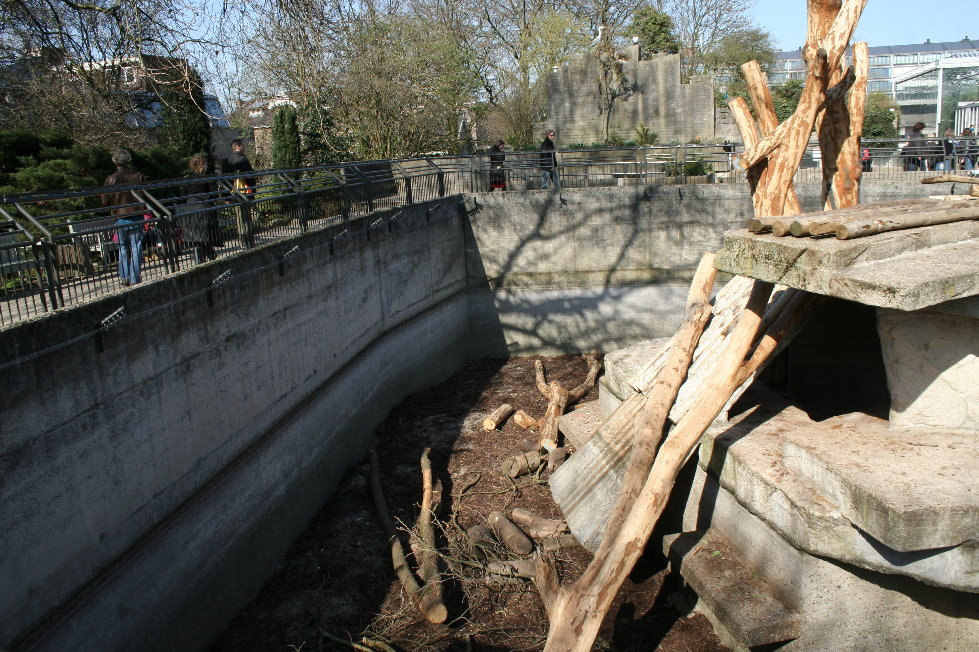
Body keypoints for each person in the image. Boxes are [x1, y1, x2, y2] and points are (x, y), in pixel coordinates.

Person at [101, 148, 147, 286]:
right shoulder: (138, 176)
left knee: (122, 246)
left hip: (120, 216)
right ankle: (135, 276)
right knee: (136, 245)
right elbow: (144, 195)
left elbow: (104, 200)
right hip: (136, 214)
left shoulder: (110, 178)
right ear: (129, 160)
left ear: (115, 162)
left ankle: (124, 276)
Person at [177, 155, 223, 264]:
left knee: (196, 236)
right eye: (206, 164)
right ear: (201, 165)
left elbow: (183, 195)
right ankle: (210, 256)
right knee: (206, 235)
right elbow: (214, 194)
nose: (207, 166)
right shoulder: (207, 178)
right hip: (204, 208)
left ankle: (200, 259)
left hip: (191, 208)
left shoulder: (187, 178)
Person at [224, 139, 257, 248]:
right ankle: (248, 240)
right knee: (246, 217)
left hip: (233, 192)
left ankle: (242, 240)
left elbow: (225, 180)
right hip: (245, 192)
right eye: (243, 145)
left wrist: (226, 196)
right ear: (238, 146)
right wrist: (253, 193)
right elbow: (250, 177)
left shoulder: (226, 160)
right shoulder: (243, 159)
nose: (245, 147)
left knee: (239, 217)